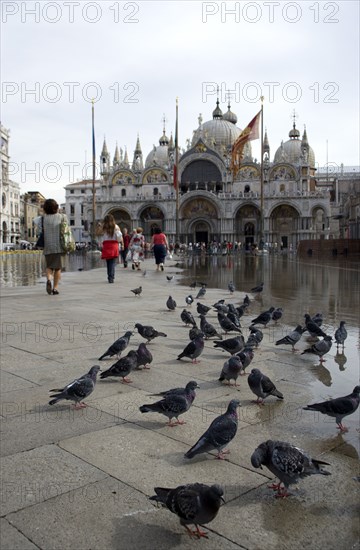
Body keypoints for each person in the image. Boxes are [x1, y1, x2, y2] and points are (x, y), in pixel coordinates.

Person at [34, 198, 69, 295]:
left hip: (48, 246)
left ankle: (49, 279)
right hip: (60, 246)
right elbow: (66, 230)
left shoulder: (42, 218)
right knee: (58, 268)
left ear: (45, 208)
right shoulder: (63, 217)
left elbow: (39, 232)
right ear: (56, 207)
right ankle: (55, 288)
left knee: (49, 266)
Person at [96, 214, 123, 283]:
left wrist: (98, 226)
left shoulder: (103, 227)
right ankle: (111, 277)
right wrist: (122, 244)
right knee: (112, 262)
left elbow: (97, 233)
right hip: (114, 245)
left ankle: (110, 276)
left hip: (106, 245)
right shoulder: (116, 226)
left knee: (108, 262)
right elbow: (120, 236)